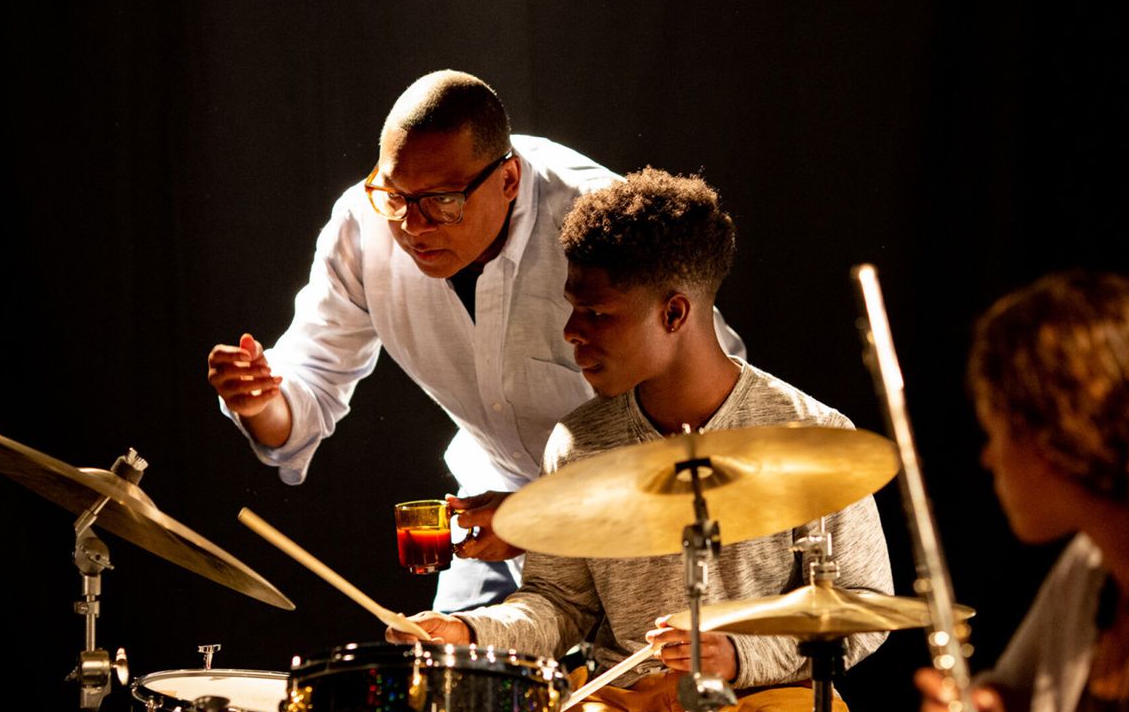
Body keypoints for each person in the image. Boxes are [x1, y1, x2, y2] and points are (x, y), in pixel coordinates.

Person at [386, 168, 894, 712]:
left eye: (596, 313)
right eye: (572, 309)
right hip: (621, 710)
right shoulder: (579, 442)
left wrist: (739, 656)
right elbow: (558, 604)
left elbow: (864, 608)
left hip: (772, 701)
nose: (572, 332)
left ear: (674, 312)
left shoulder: (813, 435)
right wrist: (469, 632)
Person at [205, 69, 746, 611]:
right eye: (397, 196)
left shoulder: (602, 224)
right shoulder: (365, 223)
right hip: (492, 510)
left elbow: (714, 418)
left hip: (633, 518)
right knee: (450, 681)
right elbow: (310, 389)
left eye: (443, 201)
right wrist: (260, 402)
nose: (414, 226)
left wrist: (543, 516)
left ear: (508, 179)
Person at [914, 271, 1129, 712]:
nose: (987, 457)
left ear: (1050, 436)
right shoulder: (1090, 564)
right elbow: (1017, 699)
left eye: (994, 429)